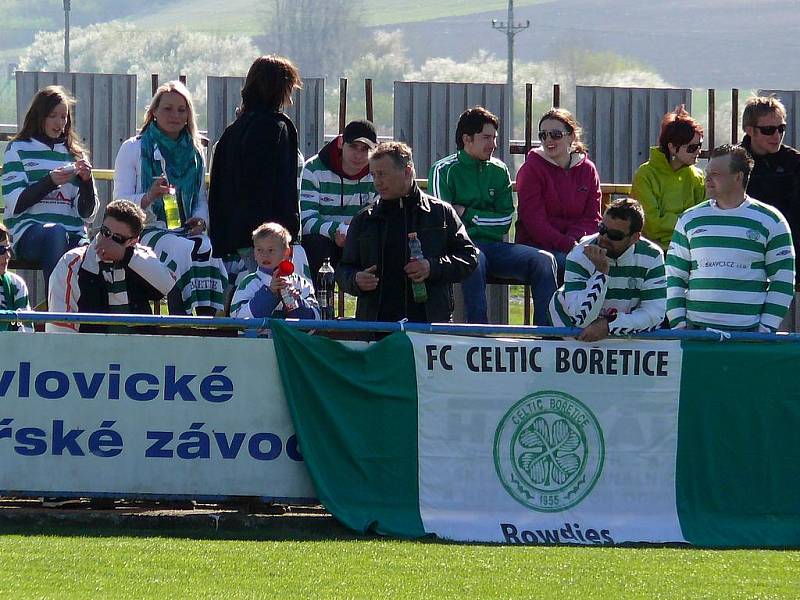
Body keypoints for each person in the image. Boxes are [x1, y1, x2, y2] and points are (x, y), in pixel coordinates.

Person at [428, 106, 556, 324]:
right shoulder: (443, 170)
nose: (493, 144)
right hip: (460, 249)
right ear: (467, 139)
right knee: (474, 259)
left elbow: (506, 220)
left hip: (496, 248)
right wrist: (483, 221)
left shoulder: (499, 170)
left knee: (545, 260)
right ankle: (479, 334)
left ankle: (548, 336)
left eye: (495, 138)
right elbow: (445, 224)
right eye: (486, 137)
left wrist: (467, 213)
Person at [113, 80, 227, 316]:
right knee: (180, 250)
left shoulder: (195, 153)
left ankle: (207, 323)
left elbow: (199, 199)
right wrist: (148, 196)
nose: (174, 115)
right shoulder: (133, 148)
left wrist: (199, 220)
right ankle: (180, 320)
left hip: (183, 229)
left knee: (207, 249)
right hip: (145, 229)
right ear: (154, 112)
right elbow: (119, 203)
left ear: (188, 115)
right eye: (167, 108)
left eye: (181, 110)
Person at [336, 141, 478, 323]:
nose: (377, 182)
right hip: (377, 329)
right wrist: (355, 279)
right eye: (373, 175)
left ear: (407, 171)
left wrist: (432, 267)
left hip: (429, 326)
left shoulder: (441, 213)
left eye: (383, 174)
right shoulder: (364, 220)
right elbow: (343, 269)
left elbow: (469, 257)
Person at [666, 145, 795, 332]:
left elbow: (783, 279)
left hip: (748, 336)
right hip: (696, 334)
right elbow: (674, 275)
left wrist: (765, 329)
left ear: (738, 177)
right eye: (707, 172)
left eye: (715, 174)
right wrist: (679, 324)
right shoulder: (689, 219)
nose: (707, 178)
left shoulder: (771, 220)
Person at [209, 55, 305, 286]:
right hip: (266, 241)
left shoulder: (233, 131)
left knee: (241, 299)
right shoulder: (276, 128)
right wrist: (287, 235)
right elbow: (278, 189)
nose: (290, 100)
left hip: (232, 238)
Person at [1, 85, 98, 285]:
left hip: (73, 234)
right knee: (56, 233)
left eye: (64, 117)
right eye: (53, 116)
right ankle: (57, 313)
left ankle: (93, 314)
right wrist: (49, 182)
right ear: (40, 116)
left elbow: (88, 214)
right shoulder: (18, 149)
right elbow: (15, 203)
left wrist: (86, 183)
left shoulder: (76, 154)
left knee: (98, 250)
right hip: (30, 233)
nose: (59, 122)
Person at [47, 200, 176, 334]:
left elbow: (166, 284)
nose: (107, 241)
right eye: (105, 232)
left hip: (137, 350)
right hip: (89, 351)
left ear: (133, 241)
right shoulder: (72, 264)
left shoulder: (140, 259)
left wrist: (126, 256)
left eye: (118, 238)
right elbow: (60, 328)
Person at [549, 198, 666, 341]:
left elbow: (654, 314)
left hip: (619, 329)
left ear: (635, 237)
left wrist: (609, 325)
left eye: (614, 235)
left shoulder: (652, 256)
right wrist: (601, 273)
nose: (604, 238)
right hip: (570, 327)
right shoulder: (580, 253)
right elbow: (580, 318)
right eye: (602, 229)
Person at [515, 108, 601, 278]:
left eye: (555, 134)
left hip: (578, 244)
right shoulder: (531, 169)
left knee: (609, 265)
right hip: (537, 246)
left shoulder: (587, 169)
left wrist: (575, 240)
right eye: (543, 135)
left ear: (571, 136)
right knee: (567, 264)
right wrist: (567, 244)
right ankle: (556, 306)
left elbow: (593, 217)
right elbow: (534, 222)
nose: (548, 140)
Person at [300, 119, 379, 280]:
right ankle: (320, 302)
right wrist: (335, 230)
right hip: (324, 243)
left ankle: (376, 302)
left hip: (361, 241)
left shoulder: (376, 172)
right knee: (314, 245)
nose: (358, 155)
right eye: (353, 147)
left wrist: (356, 232)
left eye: (365, 149)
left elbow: (380, 214)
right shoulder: (314, 169)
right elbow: (306, 220)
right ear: (341, 143)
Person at [631, 105, 706, 251]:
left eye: (700, 145)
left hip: (689, 252)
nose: (698, 151)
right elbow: (651, 225)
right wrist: (686, 223)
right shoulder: (645, 175)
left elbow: (702, 221)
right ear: (672, 147)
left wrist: (668, 223)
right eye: (692, 147)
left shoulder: (698, 176)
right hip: (653, 253)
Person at [740, 96, 800, 279]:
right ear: (749, 130)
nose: (777, 136)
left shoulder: (795, 162)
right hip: (743, 254)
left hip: (788, 252)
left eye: (781, 128)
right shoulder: (733, 162)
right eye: (768, 130)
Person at [230, 222, 319, 320]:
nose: (265, 255)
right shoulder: (249, 283)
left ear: (286, 252)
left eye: (271, 250)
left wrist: (297, 301)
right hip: (258, 336)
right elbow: (238, 318)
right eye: (260, 250)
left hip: (289, 335)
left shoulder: (300, 283)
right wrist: (269, 293)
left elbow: (316, 319)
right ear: (254, 253)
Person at [0, 223, 32, 332]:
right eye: (1, 250)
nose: (8, 256)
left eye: (8, 249)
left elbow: (26, 335)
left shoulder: (16, 284)